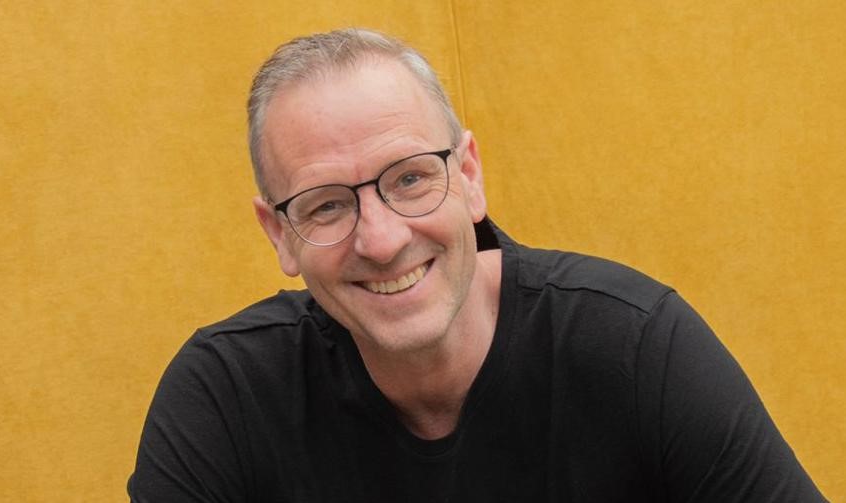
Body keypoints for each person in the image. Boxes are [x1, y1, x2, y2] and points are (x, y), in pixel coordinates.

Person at [128, 28, 827, 502]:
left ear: (468, 175)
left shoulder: (635, 346)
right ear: (279, 233)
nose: (382, 240)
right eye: (327, 205)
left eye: (409, 178)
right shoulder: (224, 396)